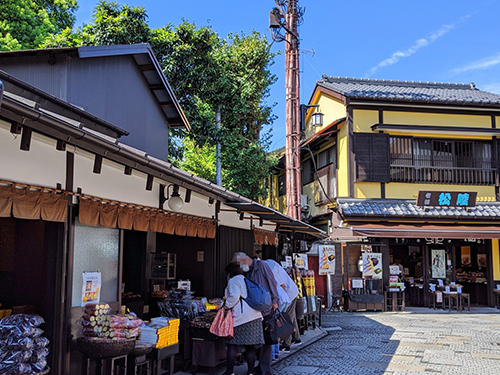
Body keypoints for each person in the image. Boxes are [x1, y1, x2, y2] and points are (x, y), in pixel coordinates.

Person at [233, 252, 280, 375]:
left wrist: (275, 300)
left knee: (267, 338)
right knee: (258, 339)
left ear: (245, 260)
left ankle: (265, 368)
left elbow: (272, 282)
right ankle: (259, 367)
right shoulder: (248, 272)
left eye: (239, 263)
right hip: (255, 310)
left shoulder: (262, 265)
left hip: (266, 307)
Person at [222, 262, 265, 375]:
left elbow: (234, 297)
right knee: (250, 346)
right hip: (255, 316)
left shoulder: (233, 281)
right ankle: (250, 372)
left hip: (242, 317)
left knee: (232, 344)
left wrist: (226, 305)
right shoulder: (246, 279)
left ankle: (230, 372)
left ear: (229, 273)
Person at [264, 259, 301, 351]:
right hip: (291, 292)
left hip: (288, 294)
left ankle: (286, 343)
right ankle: (297, 338)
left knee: (286, 317)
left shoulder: (269, 267)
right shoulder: (270, 263)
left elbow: (282, 285)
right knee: (291, 316)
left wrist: (281, 299)